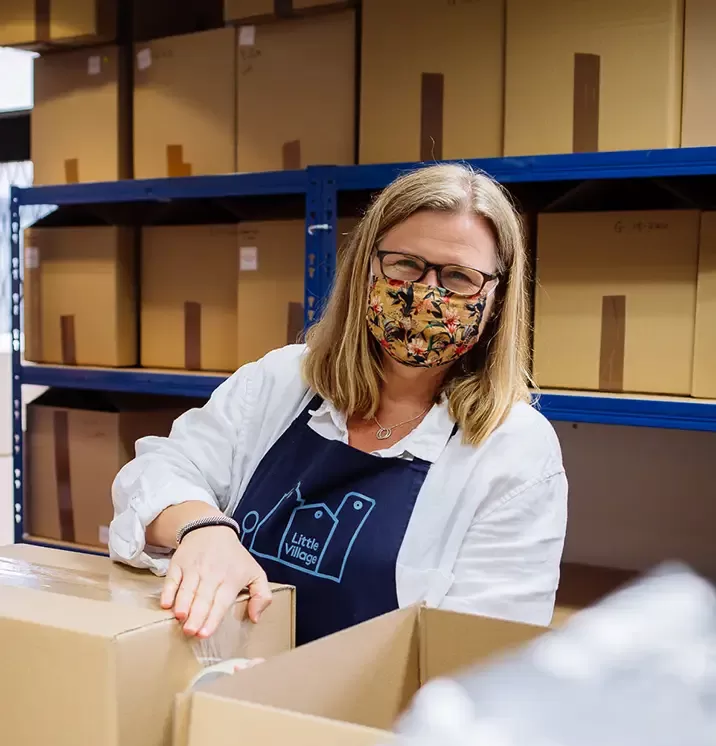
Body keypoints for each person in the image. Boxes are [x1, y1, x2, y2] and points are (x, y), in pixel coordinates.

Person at [110, 163, 567, 646]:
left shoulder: (515, 450)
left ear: (496, 297)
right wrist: (202, 528)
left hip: (373, 718)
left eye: (458, 277)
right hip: (227, 693)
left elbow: (481, 656)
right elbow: (159, 469)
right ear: (367, 266)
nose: (426, 294)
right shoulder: (283, 379)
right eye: (406, 264)